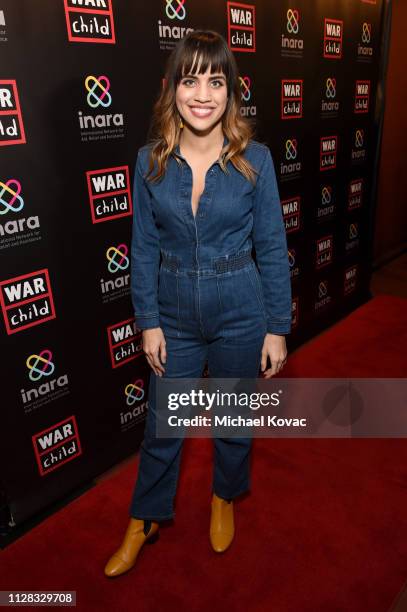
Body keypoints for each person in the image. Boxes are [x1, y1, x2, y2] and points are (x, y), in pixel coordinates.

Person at [104, 29, 292, 578]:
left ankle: (223, 497)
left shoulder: (255, 160)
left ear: (230, 90)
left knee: (233, 417)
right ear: (173, 89)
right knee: (164, 425)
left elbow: (273, 247)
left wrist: (276, 327)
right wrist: (149, 322)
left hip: (241, 304)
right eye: (191, 80)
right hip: (175, 308)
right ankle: (144, 519)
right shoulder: (149, 162)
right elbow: (141, 249)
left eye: (216, 80)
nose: (203, 94)